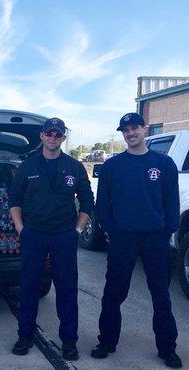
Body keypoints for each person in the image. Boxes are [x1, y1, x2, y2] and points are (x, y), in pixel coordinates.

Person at [91, 113, 182, 369]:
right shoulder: (112, 166)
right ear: (123, 134)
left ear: (145, 129)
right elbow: (103, 204)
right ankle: (106, 342)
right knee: (113, 294)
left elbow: (171, 202)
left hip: (155, 239)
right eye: (126, 130)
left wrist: (167, 231)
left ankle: (167, 349)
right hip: (123, 239)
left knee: (161, 296)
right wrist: (110, 229)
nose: (131, 133)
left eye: (135, 128)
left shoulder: (163, 164)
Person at [9, 117, 94, 360]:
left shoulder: (75, 167)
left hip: (64, 236)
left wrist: (77, 230)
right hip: (33, 235)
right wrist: (21, 228)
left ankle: (69, 341)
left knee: (67, 290)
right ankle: (24, 336)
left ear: (63, 138)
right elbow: (14, 199)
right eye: (49, 134)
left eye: (57, 134)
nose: (53, 138)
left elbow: (88, 201)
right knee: (29, 288)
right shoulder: (27, 166)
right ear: (42, 136)